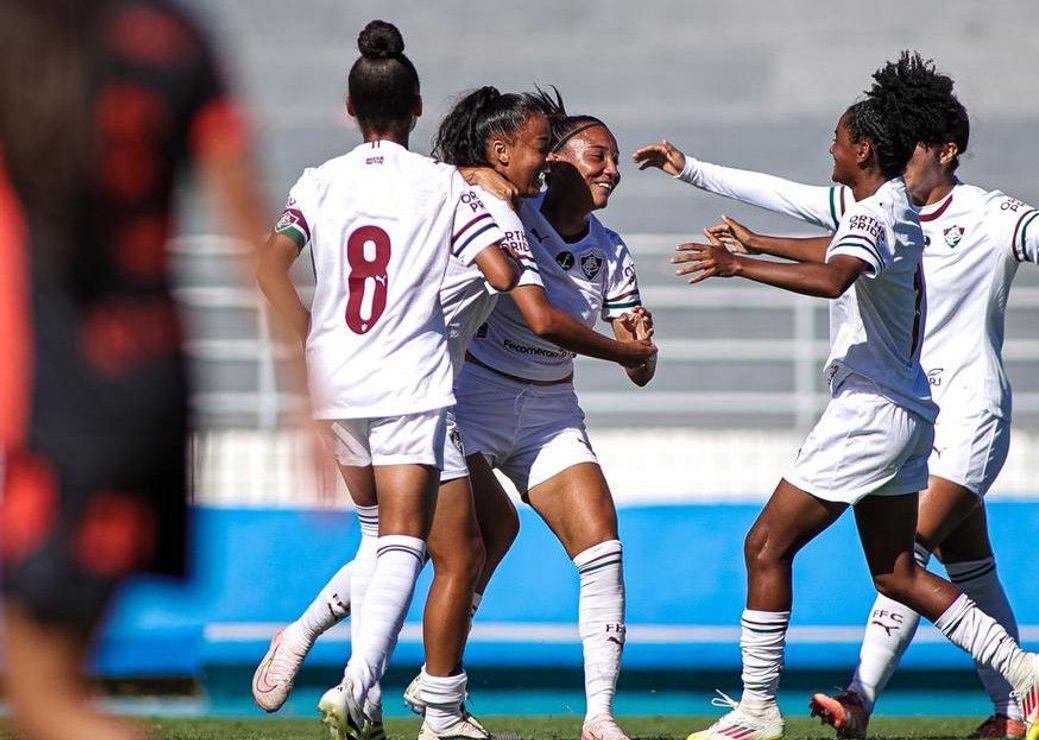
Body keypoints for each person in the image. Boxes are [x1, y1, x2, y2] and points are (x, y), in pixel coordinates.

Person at [635, 52, 1039, 740]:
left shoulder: (927, 211)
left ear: (868, 148)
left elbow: (837, 275)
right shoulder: (891, 210)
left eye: (836, 137)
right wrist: (697, 175)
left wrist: (740, 264)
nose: (828, 147)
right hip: (914, 410)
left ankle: (765, 710)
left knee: (768, 545)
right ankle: (1019, 677)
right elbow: (813, 225)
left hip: (899, 409)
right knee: (907, 571)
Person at [253, 85, 656, 739]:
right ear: (516, 155)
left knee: (473, 539)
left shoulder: (578, 238)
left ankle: (589, 717)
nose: (610, 168)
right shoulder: (487, 212)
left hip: (430, 393)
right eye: (544, 148)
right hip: (440, 394)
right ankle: (390, 694)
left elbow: (280, 261)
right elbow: (537, 313)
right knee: (426, 545)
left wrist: (639, 352)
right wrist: (620, 348)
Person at [0, 1, 266, 738]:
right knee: (43, 695)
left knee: (46, 697)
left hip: (59, 401)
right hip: (151, 382)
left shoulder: (26, 40)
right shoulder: (177, 36)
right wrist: (305, 380)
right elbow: (244, 213)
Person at [255, 22, 520, 740]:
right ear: (417, 109)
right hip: (409, 378)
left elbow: (266, 265)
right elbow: (499, 273)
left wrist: (310, 327)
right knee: (406, 539)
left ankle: (341, 672)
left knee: (377, 531)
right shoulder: (441, 186)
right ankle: (358, 688)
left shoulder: (318, 181)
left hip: (333, 373)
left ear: (350, 107)